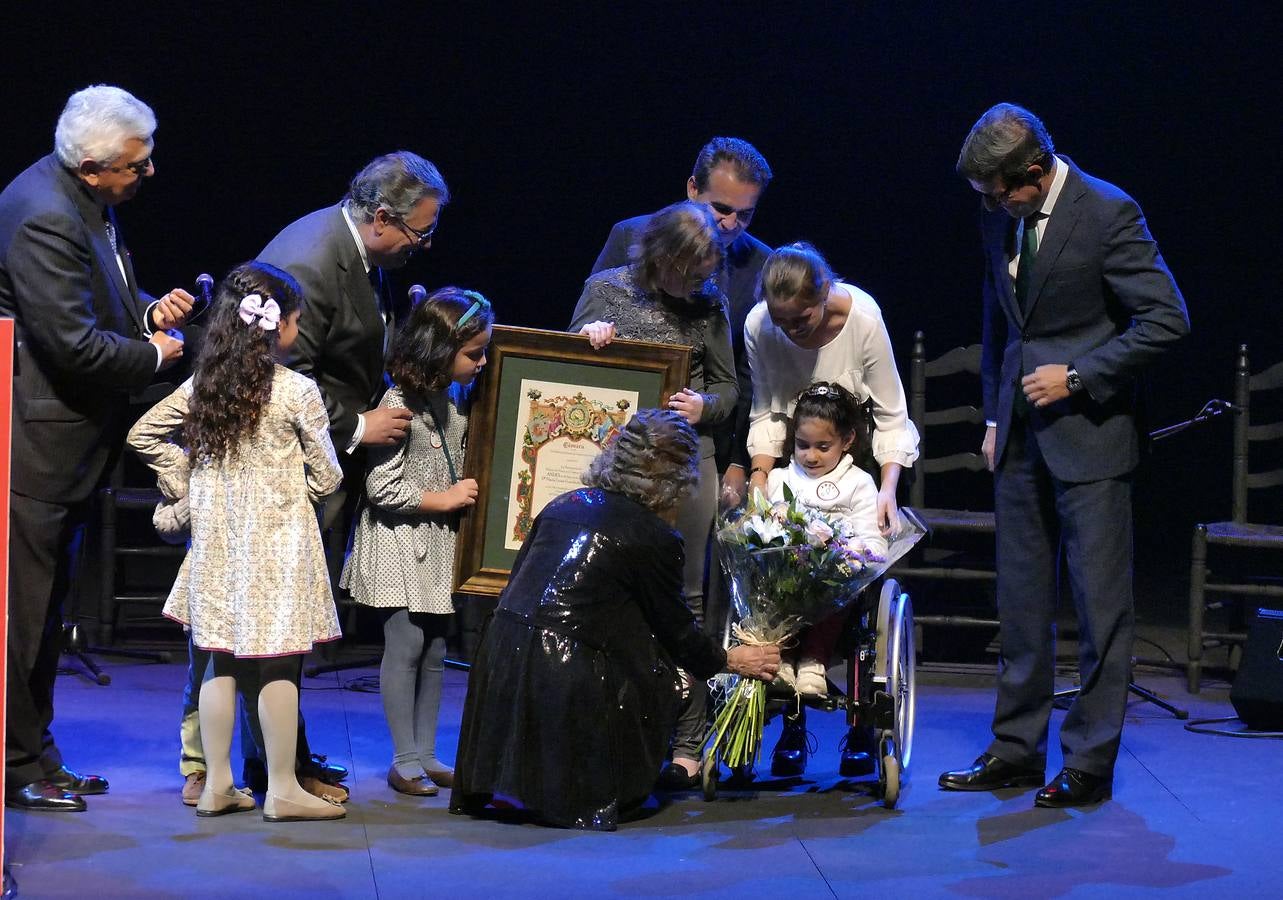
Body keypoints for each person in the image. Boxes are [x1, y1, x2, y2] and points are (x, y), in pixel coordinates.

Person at [176, 151, 451, 804]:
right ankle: (223, 765)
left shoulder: (360, 256)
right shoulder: (311, 258)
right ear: (382, 217)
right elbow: (268, 376)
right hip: (274, 477)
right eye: (421, 231)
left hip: (299, 470)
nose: (426, 244)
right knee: (248, 623)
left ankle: (276, 760)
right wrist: (359, 427)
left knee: (274, 626)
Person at [937, 103, 1189, 808]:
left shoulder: (1107, 212)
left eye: (999, 193)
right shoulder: (998, 213)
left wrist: (1078, 375)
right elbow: (998, 321)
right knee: (1019, 601)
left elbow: (1167, 320)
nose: (993, 206)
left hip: (1091, 437)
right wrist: (993, 414)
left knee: (1099, 608)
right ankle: (1015, 748)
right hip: (1018, 434)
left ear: (1034, 172)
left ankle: (1087, 763)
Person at [0, 85, 194, 812]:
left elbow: (94, 299)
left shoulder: (82, 201)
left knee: (48, 619)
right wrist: (154, 355)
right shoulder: (45, 214)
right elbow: (72, 345)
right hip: (35, 453)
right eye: (136, 167)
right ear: (91, 166)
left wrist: (146, 311)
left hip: (68, 451)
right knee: (22, 624)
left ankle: (36, 756)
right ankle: (18, 767)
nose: (147, 176)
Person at [449, 410, 781, 831]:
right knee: (659, 675)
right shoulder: (657, 537)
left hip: (498, 659)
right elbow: (676, 630)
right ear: (677, 478)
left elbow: (518, 595)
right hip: (567, 672)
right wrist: (731, 660)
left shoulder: (562, 504)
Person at [128, 261, 346, 822]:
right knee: (276, 666)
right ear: (283, 326)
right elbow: (328, 477)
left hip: (220, 545)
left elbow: (143, 432)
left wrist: (189, 483)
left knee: (219, 662)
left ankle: (218, 783)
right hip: (278, 546)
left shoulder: (205, 384)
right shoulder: (297, 390)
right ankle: (282, 789)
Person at [571, 200, 737, 791]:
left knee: (685, 599)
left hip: (686, 461)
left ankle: (689, 742)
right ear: (660, 258)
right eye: (688, 273)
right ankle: (612, 728)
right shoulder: (606, 290)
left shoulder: (710, 302)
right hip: (618, 464)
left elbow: (728, 387)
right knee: (610, 596)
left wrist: (704, 406)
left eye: (704, 274)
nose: (697, 284)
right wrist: (588, 338)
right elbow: (559, 371)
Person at [744, 241, 919, 778]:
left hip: (856, 457)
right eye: (781, 320)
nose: (791, 330)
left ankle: (860, 728)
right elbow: (768, 410)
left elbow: (891, 415)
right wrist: (759, 484)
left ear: (824, 295)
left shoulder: (862, 317)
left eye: (802, 318)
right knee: (772, 583)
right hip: (792, 459)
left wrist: (887, 489)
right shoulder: (759, 326)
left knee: (860, 598)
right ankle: (790, 726)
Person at [341, 287, 493, 797]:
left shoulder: (450, 402)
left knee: (434, 649)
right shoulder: (398, 403)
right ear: (440, 350)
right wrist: (444, 500)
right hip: (399, 543)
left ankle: (427, 753)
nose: (482, 361)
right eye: (473, 353)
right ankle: (404, 758)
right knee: (405, 645)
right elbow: (382, 487)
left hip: (437, 547)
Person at [590, 136, 772, 518]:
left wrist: (739, 462)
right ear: (693, 188)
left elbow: (749, 375)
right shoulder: (630, 236)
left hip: (704, 443)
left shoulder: (760, 265)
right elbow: (590, 323)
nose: (731, 223)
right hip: (616, 435)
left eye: (745, 214)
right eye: (721, 208)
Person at [765, 382, 887, 697]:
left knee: (831, 583)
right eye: (803, 445)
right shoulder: (780, 480)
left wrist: (856, 555)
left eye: (823, 446)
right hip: (785, 584)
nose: (811, 456)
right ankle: (783, 657)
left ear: (847, 440)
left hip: (834, 583)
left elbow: (872, 537)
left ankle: (813, 661)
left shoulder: (859, 483)